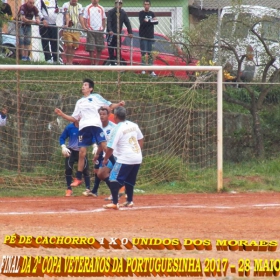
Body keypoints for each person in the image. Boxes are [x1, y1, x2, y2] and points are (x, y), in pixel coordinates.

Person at [54, 78, 125, 188]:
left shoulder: (96, 97)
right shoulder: (79, 102)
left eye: (85, 85)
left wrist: (119, 104)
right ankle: (78, 178)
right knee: (82, 152)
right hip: (83, 129)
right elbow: (73, 118)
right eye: (83, 85)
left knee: (105, 147)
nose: (83, 86)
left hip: (96, 126)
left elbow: (109, 105)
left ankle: (117, 168)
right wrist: (62, 114)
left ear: (90, 88)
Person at [103, 107, 144, 210]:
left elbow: (110, 147)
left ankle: (114, 202)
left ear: (115, 116)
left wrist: (105, 159)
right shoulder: (133, 125)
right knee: (129, 180)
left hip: (126, 158)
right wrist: (138, 151)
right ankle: (129, 201)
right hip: (137, 157)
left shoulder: (117, 128)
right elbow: (141, 138)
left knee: (113, 178)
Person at [83, 106, 116, 197]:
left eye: (104, 114)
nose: (102, 116)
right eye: (100, 114)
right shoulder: (97, 127)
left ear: (108, 115)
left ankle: (116, 191)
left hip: (114, 154)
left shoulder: (114, 127)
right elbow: (100, 143)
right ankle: (95, 191)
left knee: (102, 173)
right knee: (98, 172)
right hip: (103, 152)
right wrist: (97, 153)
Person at [59, 120, 91, 197]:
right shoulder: (69, 127)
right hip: (71, 151)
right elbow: (62, 138)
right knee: (68, 169)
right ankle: (69, 189)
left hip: (82, 151)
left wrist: (95, 146)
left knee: (86, 170)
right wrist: (63, 147)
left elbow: (92, 138)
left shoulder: (86, 127)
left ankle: (88, 189)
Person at [106, 0, 133, 65]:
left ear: (121, 5)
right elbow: (108, 22)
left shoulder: (123, 13)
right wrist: (110, 30)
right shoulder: (111, 12)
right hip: (111, 35)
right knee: (111, 50)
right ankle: (112, 64)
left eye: (120, 4)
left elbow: (127, 22)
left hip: (118, 35)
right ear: (115, 4)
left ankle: (119, 65)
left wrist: (130, 32)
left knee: (118, 50)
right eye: (117, 4)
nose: (118, 5)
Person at [83, 0, 106, 65]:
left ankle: (97, 63)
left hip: (99, 30)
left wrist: (103, 28)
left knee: (99, 48)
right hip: (91, 30)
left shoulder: (101, 8)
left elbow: (103, 18)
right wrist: (86, 27)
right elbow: (85, 18)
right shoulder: (88, 7)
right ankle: (92, 63)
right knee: (91, 48)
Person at [139, 0, 158, 77]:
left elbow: (156, 22)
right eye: (145, 4)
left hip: (151, 36)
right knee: (143, 53)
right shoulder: (141, 13)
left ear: (150, 5)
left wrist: (147, 20)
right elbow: (142, 22)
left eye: (148, 4)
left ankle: (151, 71)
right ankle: (143, 70)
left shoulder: (152, 13)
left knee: (150, 54)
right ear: (143, 5)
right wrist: (151, 21)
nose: (146, 6)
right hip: (143, 36)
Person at [61, 0, 84, 65]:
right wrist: (67, 24)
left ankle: (71, 61)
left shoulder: (80, 6)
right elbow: (67, 15)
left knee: (74, 46)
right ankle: (67, 62)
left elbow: (81, 17)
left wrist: (84, 26)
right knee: (69, 45)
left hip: (76, 29)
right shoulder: (66, 5)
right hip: (68, 29)